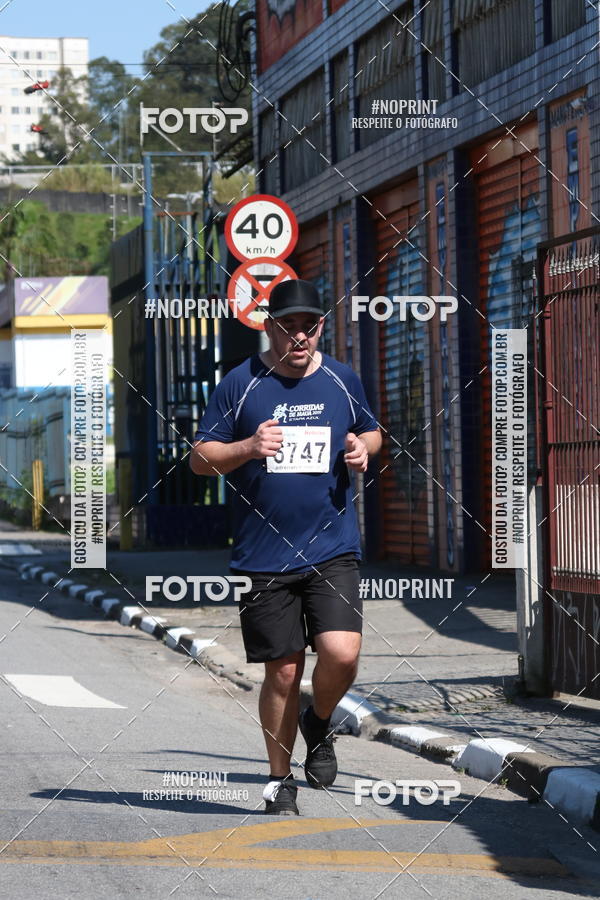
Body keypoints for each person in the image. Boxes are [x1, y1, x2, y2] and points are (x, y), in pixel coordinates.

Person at [190, 279, 382, 815]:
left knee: (342, 653)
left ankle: (318, 722)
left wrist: (361, 449)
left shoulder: (342, 379)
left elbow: (372, 432)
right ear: (269, 326)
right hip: (264, 556)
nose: (299, 336)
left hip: (332, 547)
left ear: (320, 326)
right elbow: (200, 459)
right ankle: (280, 782)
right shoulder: (240, 384)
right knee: (284, 671)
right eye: (288, 325)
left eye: (309, 326)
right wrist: (248, 447)